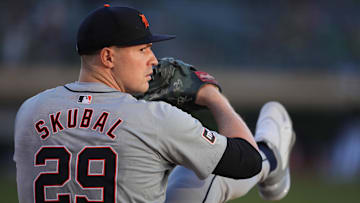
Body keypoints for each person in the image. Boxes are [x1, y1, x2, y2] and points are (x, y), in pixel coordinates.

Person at [13, 5, 295, 203]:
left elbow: (89, 126)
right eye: (142, 49)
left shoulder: (30, 111)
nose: (154, 60)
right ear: (109, 58)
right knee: (202, 172)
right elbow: (246, 161)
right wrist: (211, 96)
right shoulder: (152, 117)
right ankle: (273, 155)